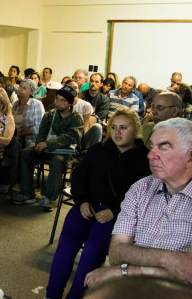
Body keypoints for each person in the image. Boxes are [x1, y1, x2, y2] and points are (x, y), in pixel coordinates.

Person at [45, 109, 150, 299]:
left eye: (123, 128)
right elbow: (78, 178)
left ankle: (76, 297)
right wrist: (82, 200)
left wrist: (115, 210)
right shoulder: (97, 150)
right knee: (65, 248)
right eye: (114, 127)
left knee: (92, 254)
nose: (117, 133)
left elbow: (142, 193)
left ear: (135, 130)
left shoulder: (145, 159)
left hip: (116, 213)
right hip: (87, 206)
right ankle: (52, 295)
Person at [84, 118, 192, 288]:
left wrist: (123, 271)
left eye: (163, 147)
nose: (150, 155)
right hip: (130, 287)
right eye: (152, 146)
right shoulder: (141, 188)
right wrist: (168, 258)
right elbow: (116, 253)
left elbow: (187, 273)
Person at [12, 85, 83, 211]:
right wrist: (40, 143)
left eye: (63, 101)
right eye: (57, 99)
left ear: (70, 104)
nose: (58, 103)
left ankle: (48, 197)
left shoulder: (76, 118)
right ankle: (27, 193)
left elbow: (72, 137)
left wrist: (48, 144)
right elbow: (41, 133)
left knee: (58, 160)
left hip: (65, 152)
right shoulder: (50, 114)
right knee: (25, 153)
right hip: (46, 149)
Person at [12, 78, 45, 149]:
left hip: (31, 141)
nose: (21, 89)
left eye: (25, 88)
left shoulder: (36, 104)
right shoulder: (14, 105)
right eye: (20, 86)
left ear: (31, 92)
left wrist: (20, 134)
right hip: (14, 139)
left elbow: (39, 127)